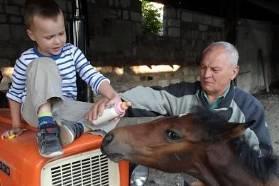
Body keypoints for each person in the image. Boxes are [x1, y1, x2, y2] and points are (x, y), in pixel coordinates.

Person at [93, 41, 273, 156]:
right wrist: (117, 99)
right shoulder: (184, 94)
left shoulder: (249, 108)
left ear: (234, 72)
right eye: (203, 67)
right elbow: (151, 97)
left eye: (214, 70)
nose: (206, 75)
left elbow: (263, 157)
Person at [1, 0, 121, 158]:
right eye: (49, 37)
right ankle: (47, 129)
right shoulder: (26, 59)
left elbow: (91, 74)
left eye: (61, 33)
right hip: (35, 111)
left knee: (115, 111)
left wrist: (112, 95)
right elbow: (15, 94)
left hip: (64, 109)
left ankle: (73, 129)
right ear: (32, 35)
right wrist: (16, 125)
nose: (58, 41)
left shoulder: (72, 52)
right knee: (44, 64)